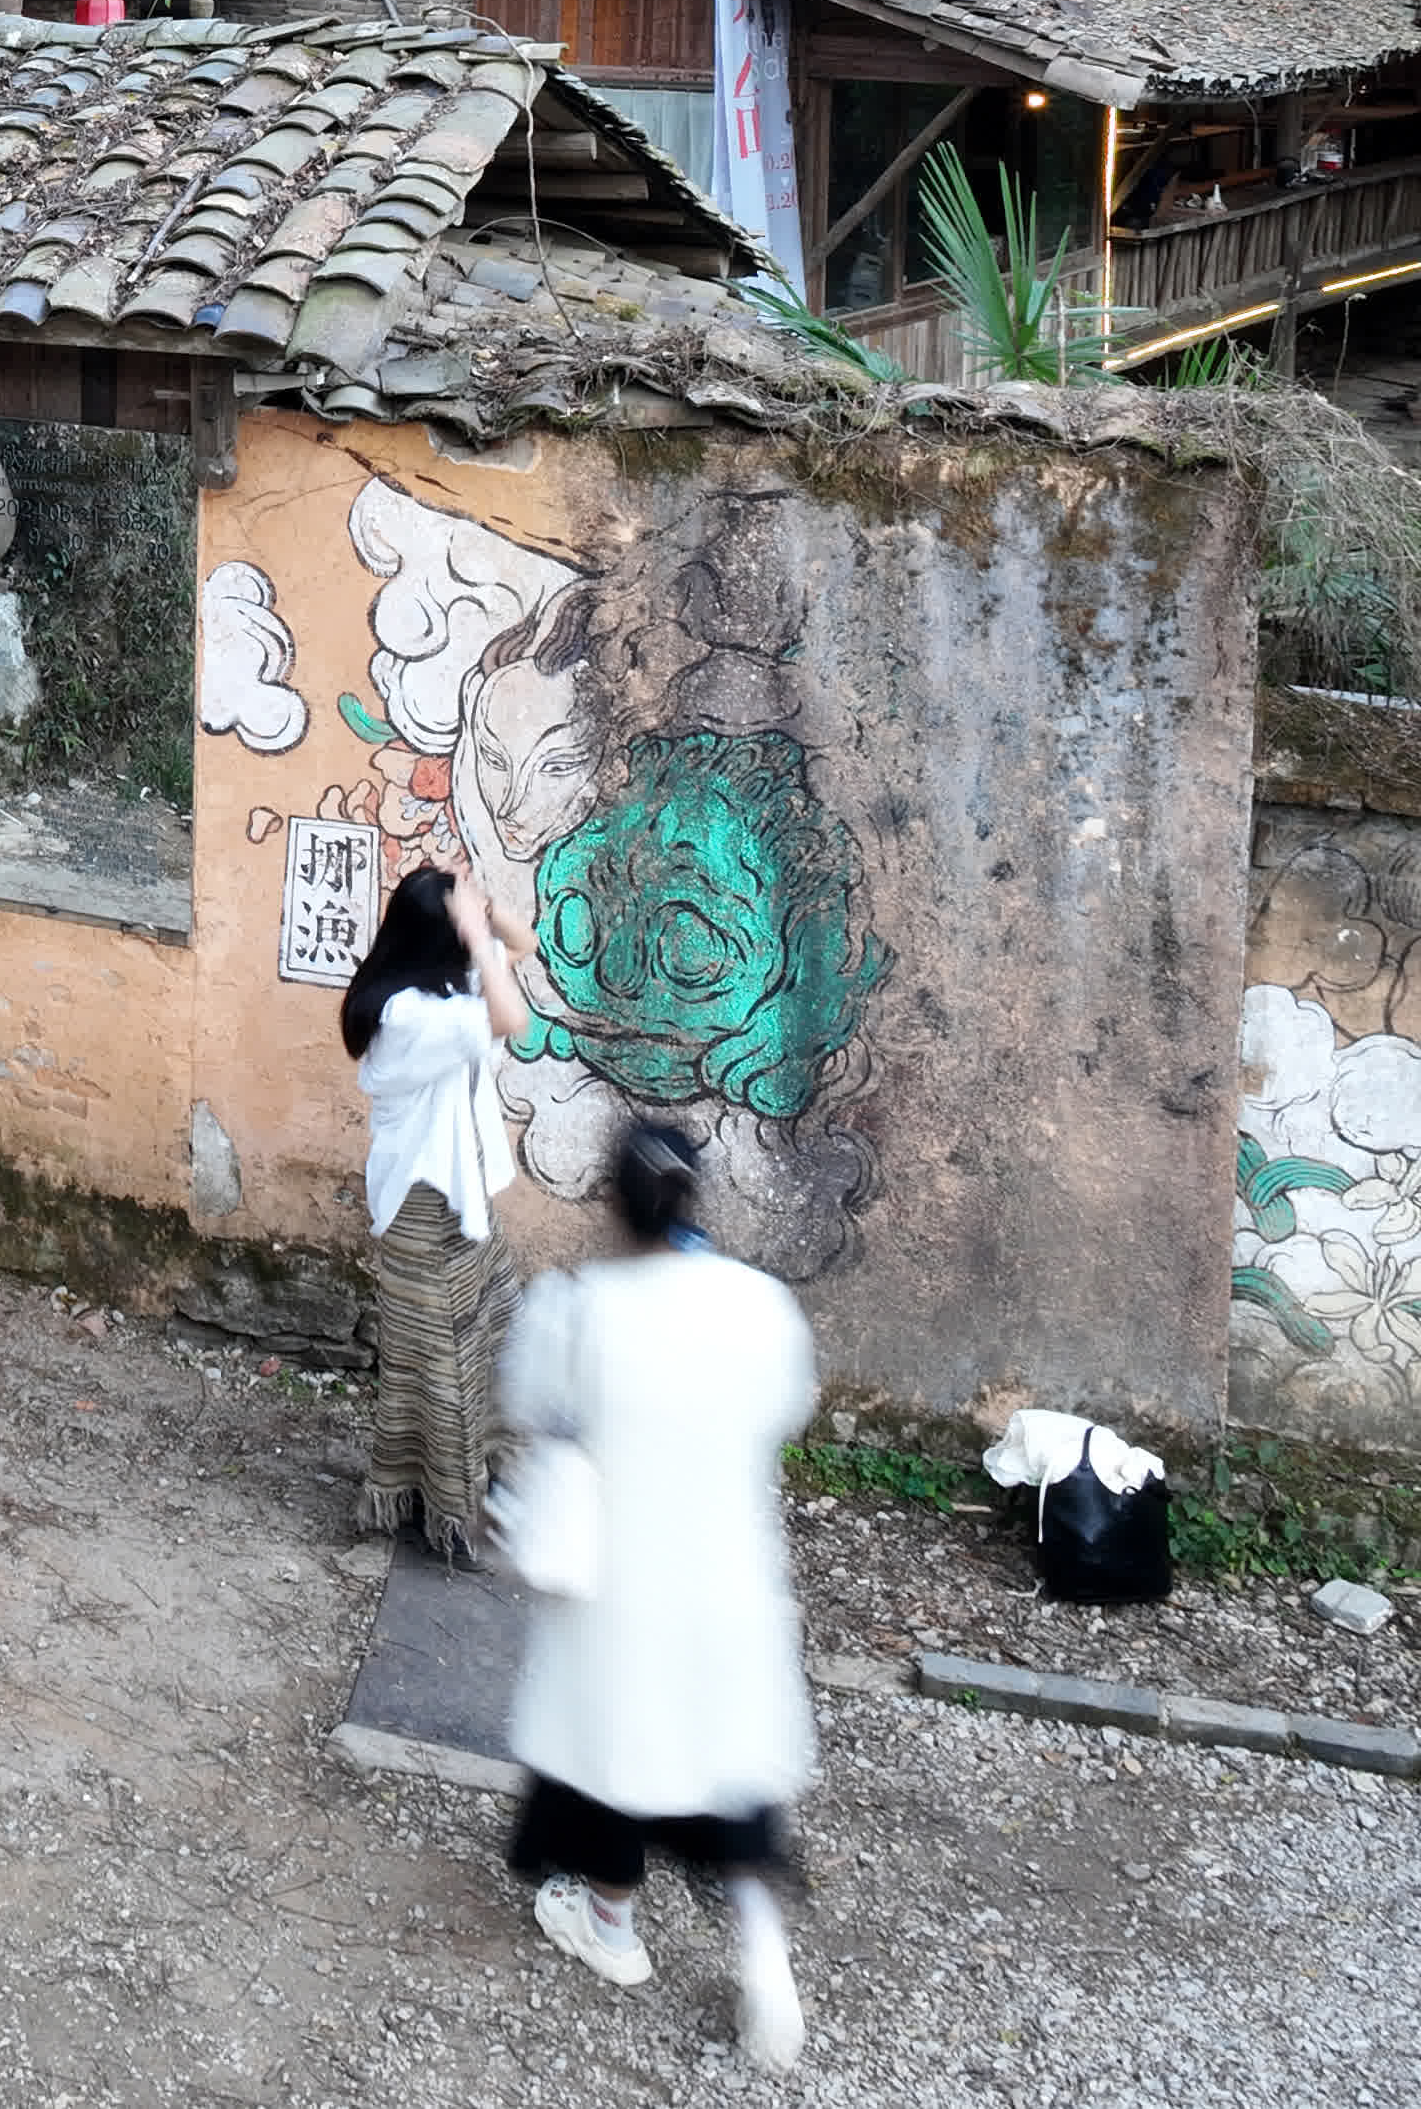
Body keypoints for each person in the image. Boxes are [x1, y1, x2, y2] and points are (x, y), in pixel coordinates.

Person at [497, 1116, 821, 2074]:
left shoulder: (578, 1307)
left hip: (620, 1590)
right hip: (726, 1582)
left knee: (608, 1753)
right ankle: (765, 1959)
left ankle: (611, 1922)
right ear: (695, 1196)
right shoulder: (760, 1308)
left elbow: (528, 1408)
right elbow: (787, 1408)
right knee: (728, 1770)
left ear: (611, 1201)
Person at [345, 857, 514, 1548]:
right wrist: (476, 935)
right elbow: (515, 1019)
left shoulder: (440, 990)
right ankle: (450, 1513)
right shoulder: (414, 1016)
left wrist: (480, 911)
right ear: (441, 941)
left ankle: (446, 1485)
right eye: (459, 919)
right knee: (441, 1362)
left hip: (459, 1194)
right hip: (424, 1208)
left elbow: (524, 946)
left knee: (480, 1336)